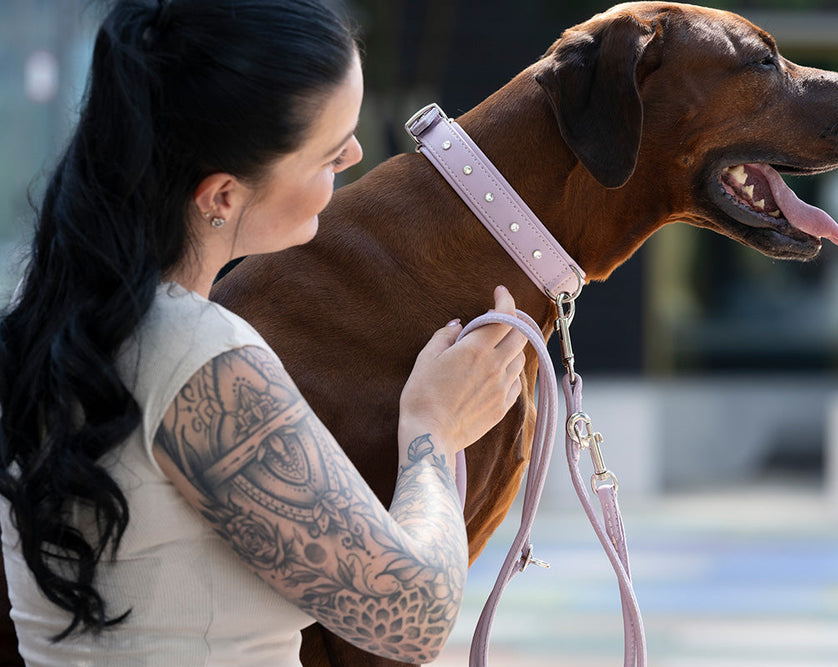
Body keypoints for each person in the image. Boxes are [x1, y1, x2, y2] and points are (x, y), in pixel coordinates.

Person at [0, 0, 527, 664]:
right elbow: (410, 617)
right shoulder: (196, 356)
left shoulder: (44, 312)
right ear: (221, 196)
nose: (358, 154)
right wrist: (432, 431)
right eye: (331, 153)